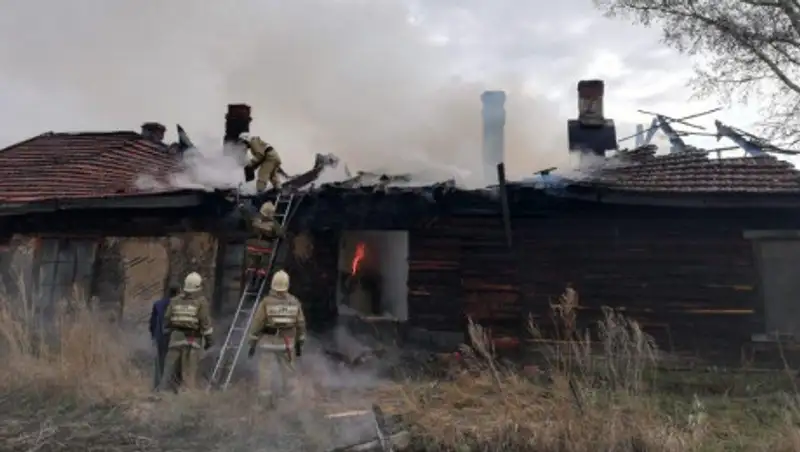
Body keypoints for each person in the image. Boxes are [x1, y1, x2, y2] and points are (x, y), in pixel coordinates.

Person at [247, 270, 306, 400]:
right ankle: (289, 399)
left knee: (265, 372)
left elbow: (258, 322)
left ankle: (264, 399)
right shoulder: (294, 302)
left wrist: (252, 341)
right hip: (286, 344)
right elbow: (300, 323)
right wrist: (300, 341)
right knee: (288, 372)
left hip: (267, 342)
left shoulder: (266, 302)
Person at [158, 272, 214, 392]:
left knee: (169, 372)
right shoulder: (201, 302)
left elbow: (167, 320)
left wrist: (169, 331)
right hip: (192, 341)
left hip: (175, 339)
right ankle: (186, 398)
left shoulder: (175, 301)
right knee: (188, 373)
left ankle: (163, 395)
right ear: (198, 287)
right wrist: (209, 341)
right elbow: (205, 323)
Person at [240, 200, 285, 279]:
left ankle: (254, 268)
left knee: (255, 256)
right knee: (263, 257)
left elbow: (249, 223)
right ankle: (260, 270)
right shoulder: (273, 223)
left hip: (255, 244)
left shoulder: (256, 219)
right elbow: (280, 233)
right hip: (264, 245)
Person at [149, 285, 180, 390]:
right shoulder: (178, 305)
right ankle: (172, 387)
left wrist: (153, 336)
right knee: (174, 363)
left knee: (160, 362)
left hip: (160, 337)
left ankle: (157, 386)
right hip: (175, 337)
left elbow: (152, 323)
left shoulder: (158, 304)